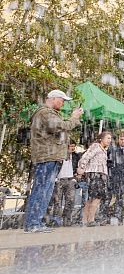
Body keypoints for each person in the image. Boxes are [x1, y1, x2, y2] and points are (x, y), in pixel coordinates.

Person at [24, 90, 84, 233]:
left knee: (43, 190)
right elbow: (61, 126)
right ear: (53, 99)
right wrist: (74, 118)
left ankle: (34, 223)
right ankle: (33, 223)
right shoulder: (45, 113)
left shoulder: (46, 113)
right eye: (62, 100)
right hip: (47, 158)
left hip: (48, 157)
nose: (63, 103)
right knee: (42, 190)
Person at [78, 131, 112, 226]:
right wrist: (81, 168)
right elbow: (85, 157)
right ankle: (90, 219)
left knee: (92, 197)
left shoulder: (104, 150)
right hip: (94, 174)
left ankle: (85, 219)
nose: (109, 140)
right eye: (107, 138)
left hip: (100, 174)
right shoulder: (96, 146)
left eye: (110, 138)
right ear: (101, 139)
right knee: (97, 196)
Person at [48, 142, 82, 227]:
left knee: (70, 200)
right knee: (57, 201)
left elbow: (79, 167)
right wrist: (55, 178)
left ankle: (67, 219)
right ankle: (56, 219)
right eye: (71, 146)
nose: (73, 148)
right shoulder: (59, 155)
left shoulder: (76, 156)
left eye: (74, 146)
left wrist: (76, 178)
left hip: (70, 180)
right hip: (59, 180)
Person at [105, 131, 124, 224]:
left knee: (120, 198)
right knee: (108, 197)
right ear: (118, 140)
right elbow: (109, 163)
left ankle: (118, 216)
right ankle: (104, 216)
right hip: (113, 177)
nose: (122, 141)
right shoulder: (113, 149)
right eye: (121, 139)